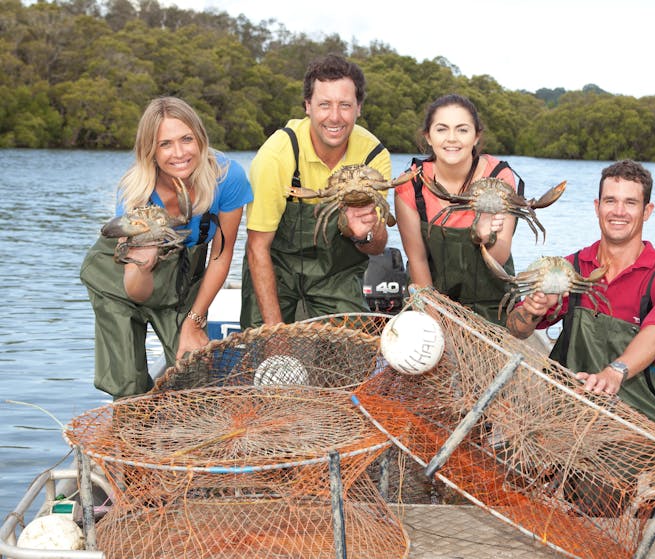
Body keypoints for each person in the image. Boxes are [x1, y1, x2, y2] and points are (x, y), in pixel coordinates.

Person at [80, 97, 252, 399]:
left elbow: (221, 257)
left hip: (184, 282)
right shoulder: (135, 194)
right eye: (165, 144)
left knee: (195, 375)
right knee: (127, 384)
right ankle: (130, 434)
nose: (180, 153)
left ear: (200, 137)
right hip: (122, 284)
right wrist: (143, 264)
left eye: (187, 139)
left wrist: (195, 321)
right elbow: (136, 292)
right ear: (151, 151)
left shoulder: (227, 177)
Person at [505, 159, 655, 435]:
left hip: (635, 424)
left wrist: (615, 372)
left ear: (647, 211)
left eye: (630, 203)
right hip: (566, 413)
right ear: (597, 206)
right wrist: (533, 309)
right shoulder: (569, 269)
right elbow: (516, 329)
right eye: (610, 201)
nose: (618, 211)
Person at [240, 53, 391, 328]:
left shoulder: (373, 156)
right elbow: (257, 247)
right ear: (308, 106)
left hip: (337, 278)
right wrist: (275, 334)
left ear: (359, 108)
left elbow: (377, 246)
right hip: (275, 271)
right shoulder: (276, 155)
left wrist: (364, 233)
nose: (335, 117)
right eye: (324, 105)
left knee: (354, 359)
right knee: (263, 357)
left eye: (345, 105)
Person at [394, 94, 524, 325]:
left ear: (476, 137)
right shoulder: (410, 183)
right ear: (428, 137)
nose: (452, 139)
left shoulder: (499, 178)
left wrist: (485, 236)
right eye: (442, 129)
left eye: (462, 130)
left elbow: (500, 257)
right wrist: (435, 324)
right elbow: (418, 261)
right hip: (431, 299)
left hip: (492, 304)